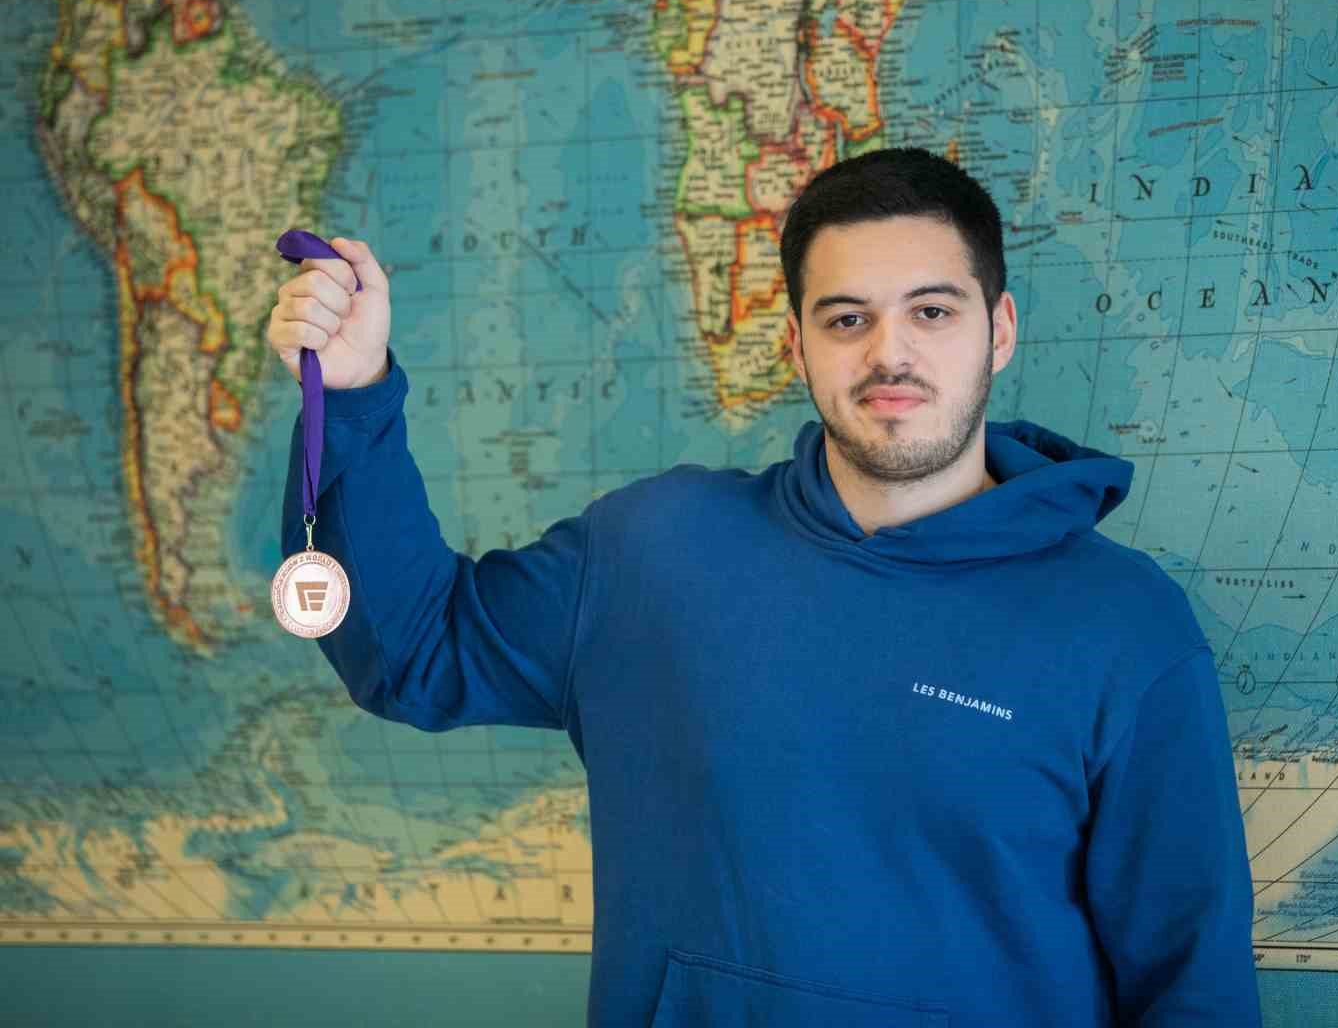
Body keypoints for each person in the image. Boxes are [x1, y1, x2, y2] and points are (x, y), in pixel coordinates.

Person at [267, 147, 1261, 1027]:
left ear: (998, 330)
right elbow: (410, 649)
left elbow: (1192, 983)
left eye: (931, 310)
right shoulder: (651, 553)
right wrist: (350, 395)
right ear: (796, 344)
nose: (890, 353)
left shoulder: (1125, 627)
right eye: (846, 318)